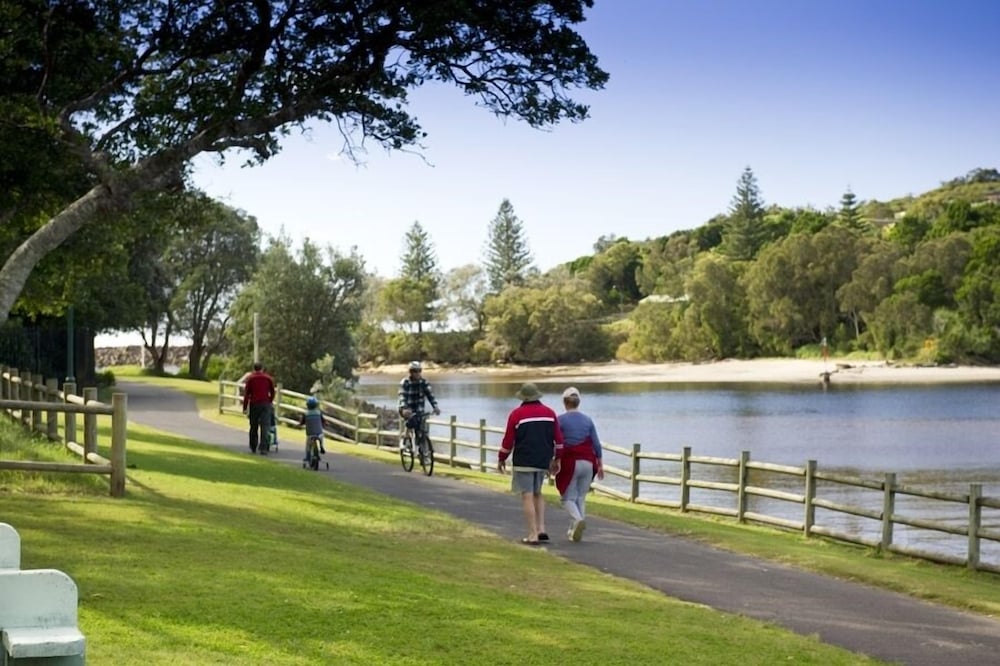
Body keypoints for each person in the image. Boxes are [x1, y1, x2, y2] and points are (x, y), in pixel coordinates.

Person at [497, 383, 564, 545]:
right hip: (543, 460)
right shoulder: (550, 413)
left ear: (523, 397)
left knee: (526, 494)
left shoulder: (516, 415)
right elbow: (559, 440)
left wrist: (501, 458)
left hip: (524, 459)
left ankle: (532, 534)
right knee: (538, 493)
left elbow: (508, 441)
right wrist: (557, 458)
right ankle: (541, 529)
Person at [556, 387, 604, 542]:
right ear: (578, 402)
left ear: (565, 402)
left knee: (567, 498)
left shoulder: (560, 420)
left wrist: (554, 460)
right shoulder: (588, 420)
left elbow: (557, 442)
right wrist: (600, 464)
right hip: (588, 462)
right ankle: (576, 531)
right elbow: (596, 444)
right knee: (581, 497)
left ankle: (578, 520)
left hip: (571, 463)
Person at [397, 361, 440, 439]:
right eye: (414, 371)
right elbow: (402, 395)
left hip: (419, 410)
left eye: (419, 371)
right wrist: (404, 408)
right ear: (410, 372)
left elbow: (430, 395)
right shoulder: (405, 382)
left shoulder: (424, 382)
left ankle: (422, 446)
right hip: (406, 409)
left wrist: (435, 407)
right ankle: (406, 433)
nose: (417, 373)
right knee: (412, 420)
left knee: (422, 428)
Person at [242, 362, 276, 454]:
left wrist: (245, 407)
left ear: (254, 368)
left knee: (254, 425)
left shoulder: (250, 379)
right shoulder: (268, 378)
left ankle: (253, 445)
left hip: (254, 404)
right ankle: (263, 448)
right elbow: (273, 392)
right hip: (265, 404)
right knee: (265, 426)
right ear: (262, 368)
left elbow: (246, 394)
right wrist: (270, 400)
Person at [299, 396, 326, 463]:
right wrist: (325, 424)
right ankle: (321, 446)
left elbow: (302, 422)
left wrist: (300, 424)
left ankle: (307, 456)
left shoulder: (305, 413)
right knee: (321, 438)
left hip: (310, 434)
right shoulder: (319, 412)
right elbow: (323, 421)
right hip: (319, 433)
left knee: (308, 445)